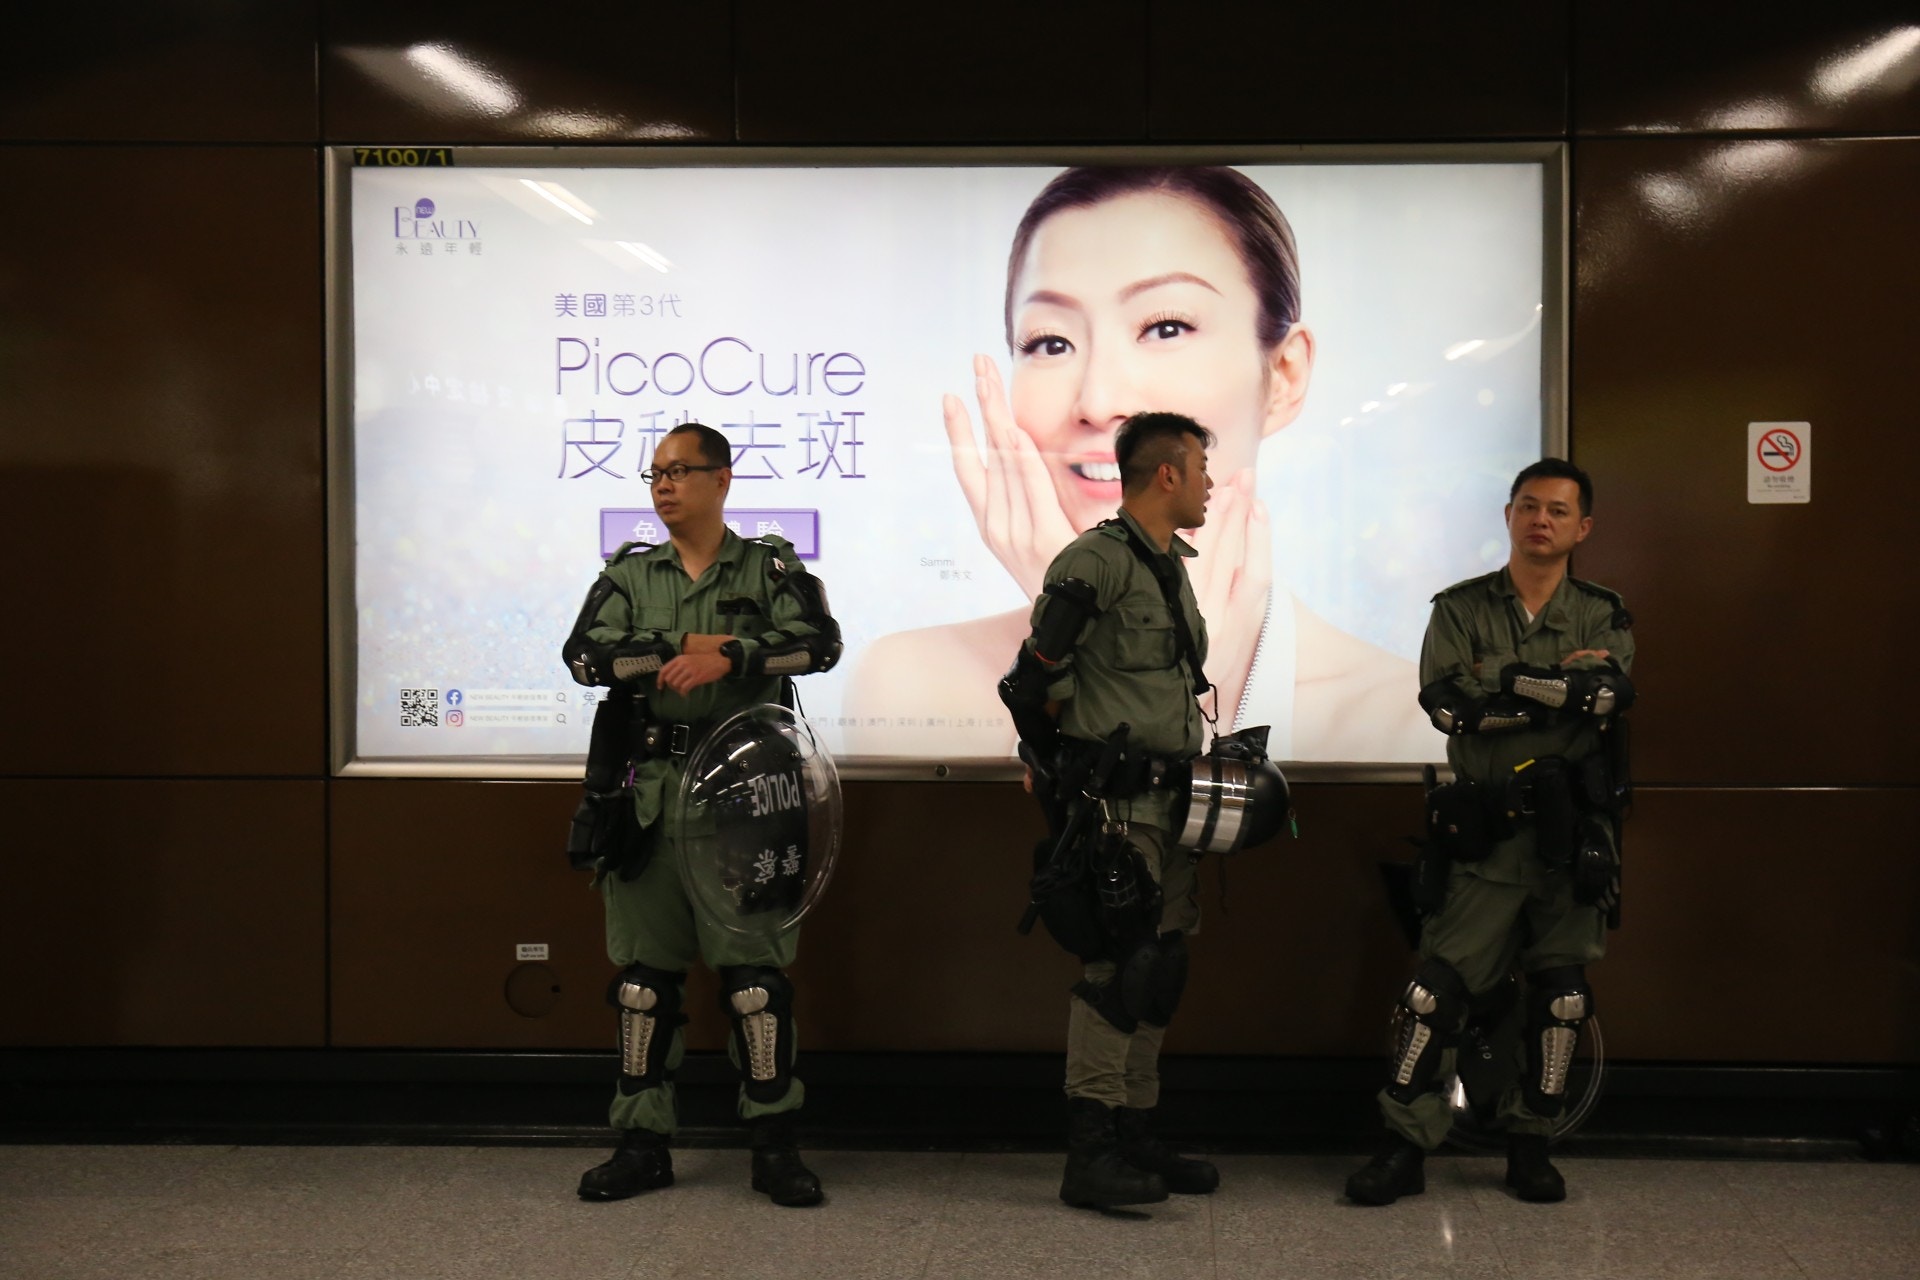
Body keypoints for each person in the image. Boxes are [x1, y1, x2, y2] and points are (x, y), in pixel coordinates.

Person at [849, 165, 1430, 763]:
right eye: (1052, 343)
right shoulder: (915, 685)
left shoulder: (1403, 726)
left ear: (1283, 375)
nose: (1099, 401)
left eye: (1166, 328)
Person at [560, 422, 843, 1208]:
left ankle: (775, 1145)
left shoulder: (770, 567)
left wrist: (734, 655)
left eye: (680, 470)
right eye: (655, 473)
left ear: (722, 479)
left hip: (748, 799)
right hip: (648, 799)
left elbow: (819, 645)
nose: (663, 485)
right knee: (644, 987)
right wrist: (683, 641)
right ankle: (641, 1144)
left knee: (755, 986)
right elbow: (586, 657)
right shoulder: (629, 575)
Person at [1345, 458, 1636, 1205]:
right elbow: (1449, 709)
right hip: (1485, 835)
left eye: (1559, 510)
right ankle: (1406, 1144)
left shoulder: (1602, 612)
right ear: (1508, 515)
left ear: (1582, 527)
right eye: (1529, 506)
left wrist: (1501, 684)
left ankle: (1530, 1142)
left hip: (1570, 841)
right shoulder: (1459, 608)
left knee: (1561, 998)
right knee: (1435, 992)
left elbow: (1607, 695)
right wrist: (1555, 691)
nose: (1542, 520)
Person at [1001, 411, 1225, 1209]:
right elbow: (1030, 681)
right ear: (1167, 474)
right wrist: (1055, 769)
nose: (1209, 483)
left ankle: (1135, 1132)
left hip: (1171, 800)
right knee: (1116, 970)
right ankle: (1090, 1150)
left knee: (1160, 964)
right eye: (1200, 468)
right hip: (1116, 806)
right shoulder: (1093, 562)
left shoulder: (1168, 565)